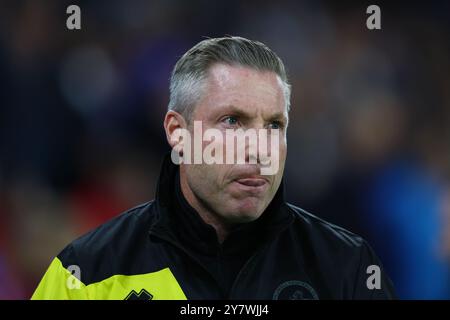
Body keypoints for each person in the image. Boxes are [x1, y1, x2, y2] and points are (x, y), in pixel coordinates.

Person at [32, 36, 395, 300]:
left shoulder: (348, 269)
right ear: (177, 133)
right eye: (232, 121)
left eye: (274, 125)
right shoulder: (84, 276)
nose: (259, 150)